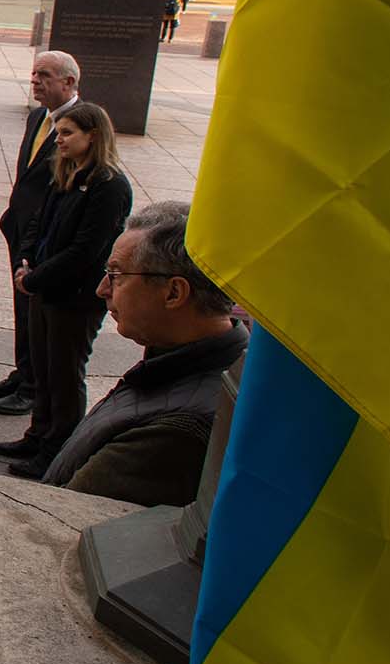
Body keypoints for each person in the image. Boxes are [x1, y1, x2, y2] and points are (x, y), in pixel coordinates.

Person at [43, 202, 248, 504]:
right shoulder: (187, 364)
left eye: (116, 275)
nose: (102, 289)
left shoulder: (178, 431)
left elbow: (58, 517)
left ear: (174, 293)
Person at [0, 101, 135, 479]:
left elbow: (86, 250)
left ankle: (58, 450)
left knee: (64, 373)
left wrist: (35, 278)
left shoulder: (109, 185)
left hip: (73, 297)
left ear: (93, 135)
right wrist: (25, 261)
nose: (59, 140)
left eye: (67, 133)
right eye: (58, 133)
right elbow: (39, 221)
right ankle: (38, 434)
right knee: (42, 367)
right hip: (44, 287)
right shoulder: (66, 172)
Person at [0, 52, 82, 417]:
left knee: (38, 311)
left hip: (48, 235)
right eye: (34, 74)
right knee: (22, 306)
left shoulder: (80, 126)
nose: (35, 81)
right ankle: (23, 372)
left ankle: (35, 385)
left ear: (69, 82)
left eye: (45, 76)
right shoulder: (38, 117)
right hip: (22, 227)